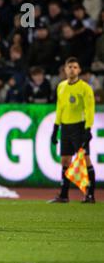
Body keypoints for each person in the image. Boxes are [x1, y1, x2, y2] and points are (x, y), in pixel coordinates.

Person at [49, 57, 96, 204]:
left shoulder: (85, 88)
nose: (72, 69)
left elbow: (90, 109)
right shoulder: (61, 86)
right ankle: (64, 195)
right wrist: (55, 128)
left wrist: (88, 129)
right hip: (65, 127)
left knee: (85, 159)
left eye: (75, 67)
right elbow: (59, 108)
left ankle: (90, 194)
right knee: (65, 160)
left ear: (79, 70)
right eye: (69, 67)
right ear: (65, 69)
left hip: (79, 127)